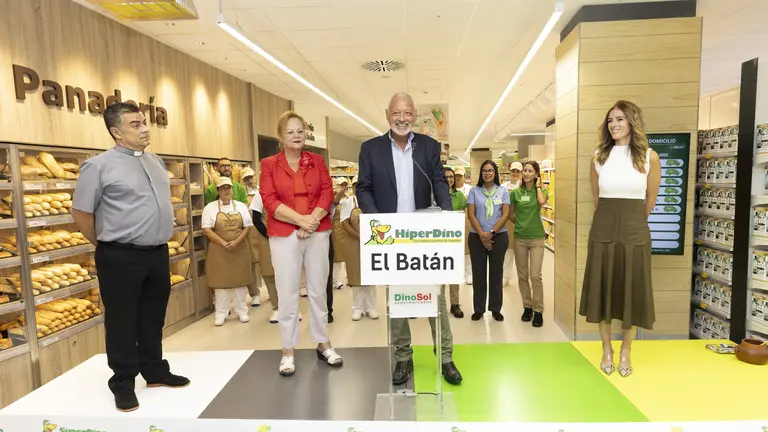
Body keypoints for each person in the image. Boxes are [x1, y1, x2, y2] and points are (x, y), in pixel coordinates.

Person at [71, 102, 189, 413]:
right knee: (122, 320)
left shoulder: (154, 160)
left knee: (152, 315)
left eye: (144, 122)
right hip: (120, 254)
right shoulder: (98, 166)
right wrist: (106, 242)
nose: (144, 128)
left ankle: (155, 371)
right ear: (116, 132)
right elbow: (81, 212)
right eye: (135, 124)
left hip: (158, 253)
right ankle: (123, 381)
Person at [357, 92, 462, 385]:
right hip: (390, 237)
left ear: (414, 115)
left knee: (435, 300)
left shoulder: (428, 147)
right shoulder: (371, 149)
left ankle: (445, 357)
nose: (402, 118)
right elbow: (363, 188)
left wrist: (447, 216)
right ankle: (403, 357)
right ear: (387, 114)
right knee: (397, 300)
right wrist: (376, 218)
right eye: (396, 113)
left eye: (407, 113)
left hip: (424, 235)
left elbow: (439, 182)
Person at [579, 100, 660, 378]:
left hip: (634, 227)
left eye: (620, 119)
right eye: (610, 120)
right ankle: (606, 349)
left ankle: (626, 349)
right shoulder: (599, 156)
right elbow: (597, 198)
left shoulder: (649, 157)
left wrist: (634, 222)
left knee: (631, 289)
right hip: (604, 226)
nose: (614, 124)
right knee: (602, 287)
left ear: (632, 122)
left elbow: (650, 200)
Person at [259, 110, 341, 376]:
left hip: (317, 231)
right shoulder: (269, 164)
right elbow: (270, 200)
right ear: (281, 137)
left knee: (319, 289)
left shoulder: (316, 160)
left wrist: (312, 220)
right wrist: (300, 221)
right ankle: (288, 350)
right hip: (284, 234)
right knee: (288, 292)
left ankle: (323, 342)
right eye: (290, 132)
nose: (296, 135)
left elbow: (327, 192)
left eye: (300, 131)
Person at [202, 177, 254, 326]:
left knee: (240, 282)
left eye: (229, 188)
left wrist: (237, 242)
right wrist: (223, 242)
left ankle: (242, 311)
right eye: (223, 188)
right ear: (218, 191)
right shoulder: (210, 208)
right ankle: (221, 313)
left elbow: (248, 227)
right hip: (219, 251)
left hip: (240, 249)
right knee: (220, 283)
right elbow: (206, 229)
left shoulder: (241, 207)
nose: (226, 190)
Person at [467, 160, 510, 322]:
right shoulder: (474, 191)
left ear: (495, 173)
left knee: (496, 273)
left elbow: (505, 214)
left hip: (499, 237)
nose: (487, 173)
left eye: (490, 170)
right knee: (478, 274)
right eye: (484, 170)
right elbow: (471, 214)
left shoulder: (503, 191)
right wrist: (482, 235)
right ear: (481, 173)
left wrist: (491, 233)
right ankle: (478, 308)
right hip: (476, 237)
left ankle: (495, 308)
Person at [510, 161, 548, 328]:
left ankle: (538, 310)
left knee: (535, 275)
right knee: (522, 276)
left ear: (536, 174)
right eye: (524, 170)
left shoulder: (540, 191)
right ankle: (527, 306)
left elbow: (542, 202)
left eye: (530, 171)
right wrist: (520, 224)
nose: (526, 173)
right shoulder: (516, 193)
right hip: (520, 238)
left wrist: (538, 186)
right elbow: (510, 214)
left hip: (537, 238)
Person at [341, 176, 378, 321]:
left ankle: (371, 307)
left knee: (371, 274)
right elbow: (345, 224)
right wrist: (361, 237)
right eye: (356, 185)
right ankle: (357, 308)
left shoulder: (374, 200)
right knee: (356, 276)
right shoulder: (348, 203)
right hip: (354, 243)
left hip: (371, 243)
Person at [249, 180, 283, 324]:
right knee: (269, 274)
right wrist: (269, 234)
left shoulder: (284, 193)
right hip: (266, 238)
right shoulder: (259, 196)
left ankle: (291, 308)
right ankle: (276, 308)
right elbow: (256, 219)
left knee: (287, 273)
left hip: (285, 237)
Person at [444, 167, 467, 318]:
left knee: (454, 273)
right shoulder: (433, 195)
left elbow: (465, 214)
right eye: (446, 177)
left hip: (454, 240)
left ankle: (455, 304)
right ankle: (438, 303)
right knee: (438, 273)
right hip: (437, 239)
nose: (449, 179)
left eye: (451, 177)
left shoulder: (459, 196)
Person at [242, 167, 263, 307]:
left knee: (266, 261)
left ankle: (275, 291)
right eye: (246, 178)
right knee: (250, 264)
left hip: (262, 230)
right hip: (248, 232)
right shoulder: (241, 195)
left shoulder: (263, 191)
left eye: (251, 177)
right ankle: (254, 294)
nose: (250, 180)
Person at [503, 162, 523, 287]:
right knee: (508, 251)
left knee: (522, 253)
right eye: (513, 171)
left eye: (517, 171)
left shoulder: (524, 187)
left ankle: (523, 278)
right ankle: (505, 276)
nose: (515, 173)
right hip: (507, 222)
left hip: (522, 222)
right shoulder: (503, 186)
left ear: (521, 173)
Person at [453, 167, 473, 286]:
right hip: (453, 224)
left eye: (460, 176)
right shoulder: (449, 190)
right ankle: (456, 273)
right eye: (456, 176)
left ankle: (469, 274)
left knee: (467, 250)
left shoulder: (470, 190)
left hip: (467, 223)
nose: (458, 178)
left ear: (464, 177)